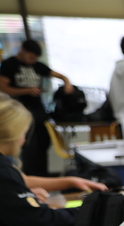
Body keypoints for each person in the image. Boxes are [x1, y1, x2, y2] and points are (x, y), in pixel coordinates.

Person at [1, 96, 106, 226]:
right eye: (23, 133)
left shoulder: (5, 171)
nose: (24, 140)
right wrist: (88, 210)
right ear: (10, 135)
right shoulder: (3, 171)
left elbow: (17, 184)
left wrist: (21, 196)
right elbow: (40, 222)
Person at [0, 39, 75, 175]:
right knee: (29, 147)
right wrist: (27, 91)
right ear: (23, 51)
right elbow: (4, 88)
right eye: (30, 57)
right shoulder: (9, 65)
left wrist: (67, 83)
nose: (32, 60)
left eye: (35, 58)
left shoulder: (37, 66)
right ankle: (29, 176)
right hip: (21, 112)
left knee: (43, 144)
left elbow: (61, 76)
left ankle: (43, 175)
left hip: (39, 112)